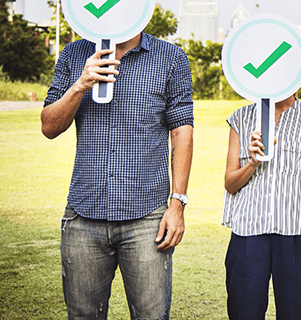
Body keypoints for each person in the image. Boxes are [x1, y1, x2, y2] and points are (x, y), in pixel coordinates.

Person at [41, 31, 194, 319]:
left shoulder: (170, 57)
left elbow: (182, 130)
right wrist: (80, 85)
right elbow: (49, 126)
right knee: (83, 315)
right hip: (83, 215)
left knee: (151, 316)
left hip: (148, 219)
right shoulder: (74, 54)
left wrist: (177, 203)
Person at [222, 95, 301, 319]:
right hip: (248, 233)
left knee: (298, 314)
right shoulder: (241, 118)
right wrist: (252, 163)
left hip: (297, 234)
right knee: (243, 312)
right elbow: (230, 184)